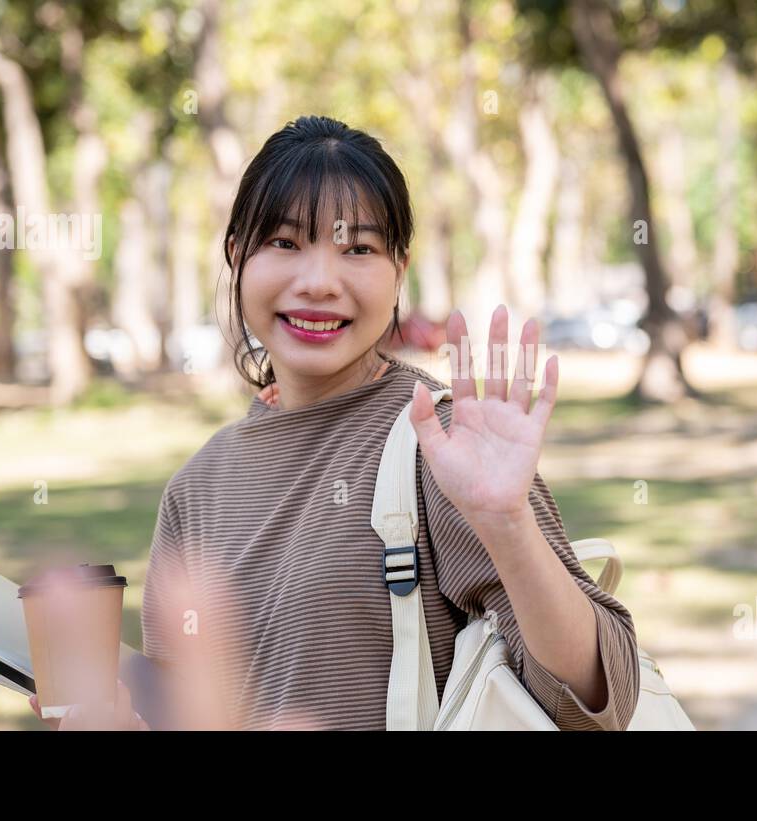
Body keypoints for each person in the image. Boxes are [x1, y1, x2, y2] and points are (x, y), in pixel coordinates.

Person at [36, 114, 641, 731]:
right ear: (236, 255)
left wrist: (508, 524)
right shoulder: (196, 490)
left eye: (358, 249)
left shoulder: (442, 440)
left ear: (399, 270)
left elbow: (601, 701)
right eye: (286, 243)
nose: (320, 282)